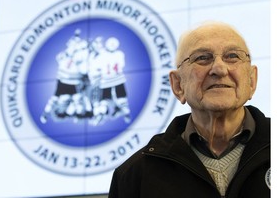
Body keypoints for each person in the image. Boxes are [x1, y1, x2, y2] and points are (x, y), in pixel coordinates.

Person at [108, 22, 270, 198]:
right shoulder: (134, 176)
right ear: (178, 85)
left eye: (232, 56)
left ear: (252, 81)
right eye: (202, 58)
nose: (219, 69)